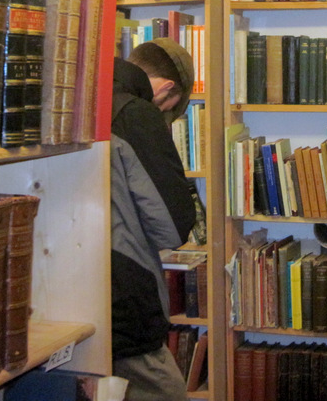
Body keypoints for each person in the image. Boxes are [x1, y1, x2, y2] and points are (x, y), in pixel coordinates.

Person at [110, 38, 197, 401]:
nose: (160, 114)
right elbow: (172, 226)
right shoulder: (136, 113)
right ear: (166, 89)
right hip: (124, 304)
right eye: (166, 109)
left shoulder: (84, 95)